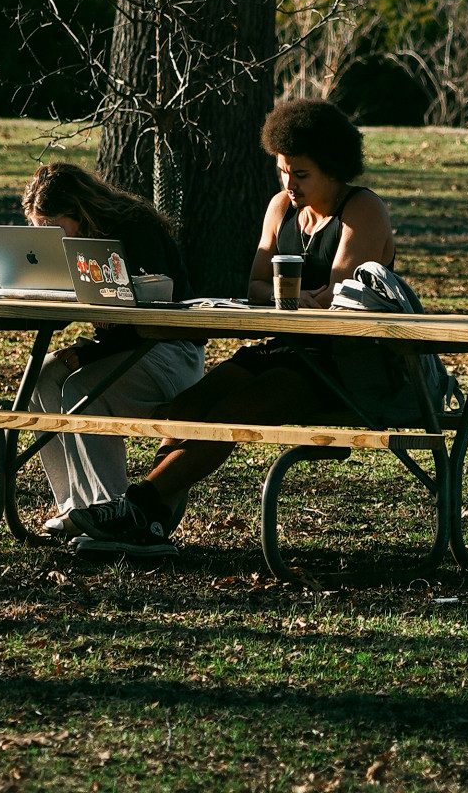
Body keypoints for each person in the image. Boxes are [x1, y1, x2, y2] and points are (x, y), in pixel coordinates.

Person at [66, 97, 397, 558]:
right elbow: (257, 285)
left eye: (301, 174)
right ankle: (150, 521)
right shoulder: (281, 208)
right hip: (286, 346)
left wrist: (295, 300)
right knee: (188, 407)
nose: (290, 184)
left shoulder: (362, 211)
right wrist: (296, 300)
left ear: (334, 169)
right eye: (283, 171)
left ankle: (137, 509)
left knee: (236, 411)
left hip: (346, 364)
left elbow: (340, 296)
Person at [19, 160, 206, 540]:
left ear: (79, 212)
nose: (51, 239)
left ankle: (110, 511)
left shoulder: (134, 228)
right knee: (43, 377)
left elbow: (151, 315)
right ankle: (76, 507)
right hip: (121, 347)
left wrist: (91, 353)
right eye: (40, 231)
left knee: (80, 390)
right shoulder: (73, 241)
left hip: (168, 349)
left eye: (54, 228)